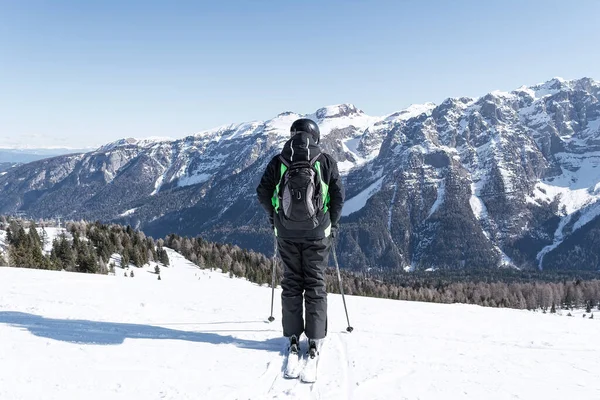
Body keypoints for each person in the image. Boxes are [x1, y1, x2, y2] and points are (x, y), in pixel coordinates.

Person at [256, 118, 344, 355]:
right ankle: (315, 338)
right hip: (318, 233)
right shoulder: (325, 161)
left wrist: (275, 217)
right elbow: (337, 198)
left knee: (292, 281)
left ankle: (293, 336)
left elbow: (262, 192)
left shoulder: (279, 161)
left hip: (285, 233)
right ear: (315, 136)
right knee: (315, 282)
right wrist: (332, 225)